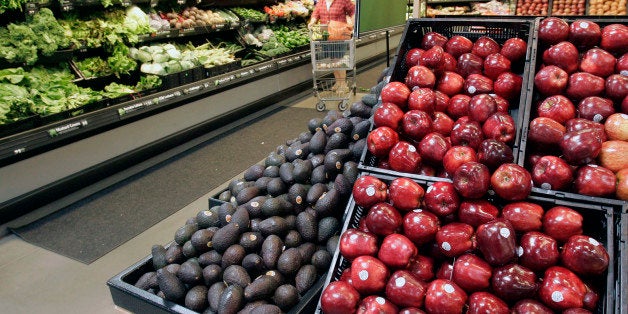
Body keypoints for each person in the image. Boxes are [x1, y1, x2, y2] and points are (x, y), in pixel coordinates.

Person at [308, 0, 355, 93]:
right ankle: (338, 82)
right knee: (332, 59)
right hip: (326, 35)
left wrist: (351, 25)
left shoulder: (343, 1)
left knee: (339, 59)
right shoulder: (321, 2)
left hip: (339, 35)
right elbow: (315, 14)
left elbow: (353, 11)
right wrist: (312, 22)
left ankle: (343, 85)